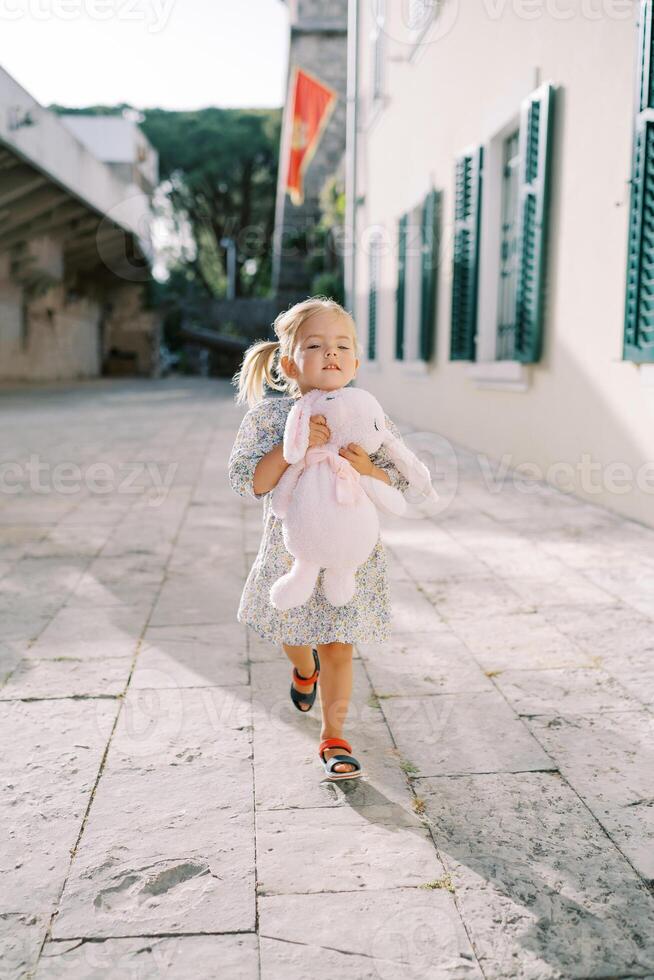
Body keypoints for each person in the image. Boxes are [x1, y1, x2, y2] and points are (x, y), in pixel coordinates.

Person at [227, 296, 409, 780]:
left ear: (355, 361)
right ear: (289, 363)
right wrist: (294, 448)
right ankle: (301, 669)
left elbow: (401, 480)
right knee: (293, 631)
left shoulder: (368, 415)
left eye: (342, 345)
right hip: (293, 555)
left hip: (350, 557)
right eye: (316, 344)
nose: (331, 353)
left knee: (338, 643)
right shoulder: (269, 419)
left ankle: (334, 737)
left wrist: (369, 468)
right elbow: (251, 481)